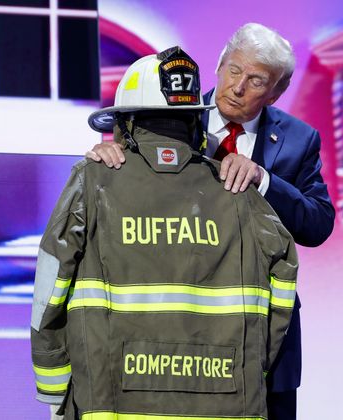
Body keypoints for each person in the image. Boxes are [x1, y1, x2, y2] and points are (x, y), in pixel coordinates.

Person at [31, 46, 298, 420]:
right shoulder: (239, 192)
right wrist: (253, 370)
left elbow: (49, 291)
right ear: (195, 124)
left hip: (109, 404)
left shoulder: (92, 182)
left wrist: (56, 389)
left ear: (125, 123)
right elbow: (284, 286)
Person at [86, 23, 335, 419]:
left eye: (256, 80)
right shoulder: (164, 116)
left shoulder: (298, 140)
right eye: (234, 70)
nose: (237, 87)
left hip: (265, 335)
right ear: (219, 66)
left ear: (276, 91)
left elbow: (318, 223)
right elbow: (126, 185)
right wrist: (106, 159)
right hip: (178, 329)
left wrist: (263, 179)